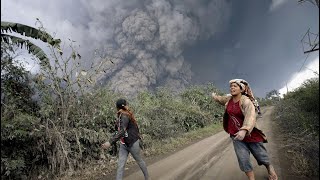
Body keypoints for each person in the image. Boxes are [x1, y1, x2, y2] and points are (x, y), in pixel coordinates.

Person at [211, 79, 277, 180]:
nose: (232, 88)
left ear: (241, 89)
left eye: (235, 86)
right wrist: (214, 96)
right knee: (243, 160)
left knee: (261, 156)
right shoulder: (229, 99)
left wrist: (244, 129)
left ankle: (270, 169)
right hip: (236, 136)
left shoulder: (246, 101)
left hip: (251, 135)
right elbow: (221, 99)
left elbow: (250, 116)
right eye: (231, 86)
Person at [101, 98, 149, 180]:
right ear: (125, 106)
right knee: (120, 165)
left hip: (132, 143)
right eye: (127, 104)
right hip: (124, 144)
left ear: (117, 107)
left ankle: (147, 178)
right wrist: (112, 138)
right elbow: (119, 131)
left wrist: (110, 142)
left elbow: (122, 131)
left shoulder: (124, 116)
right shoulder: (121, 115)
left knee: (139, 160)